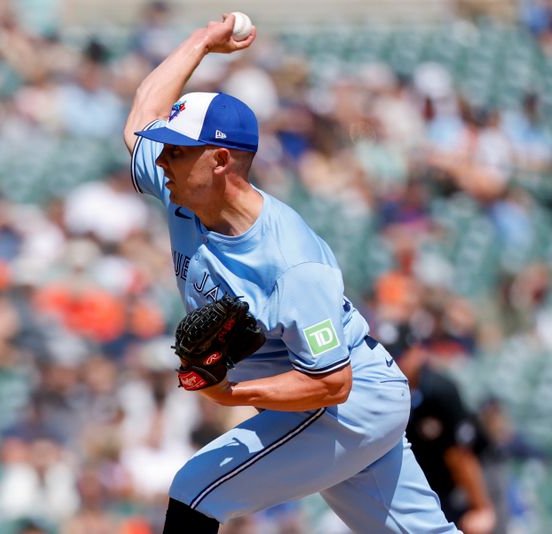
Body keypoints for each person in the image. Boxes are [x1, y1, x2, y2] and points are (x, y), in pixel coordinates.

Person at [123, 14, 459, 533]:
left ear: (219, 161)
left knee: (195, 492)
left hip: (348, 400)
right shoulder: (180, 191)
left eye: (177, 150)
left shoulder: (290, 261)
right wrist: (201, 43)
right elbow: (141, 115)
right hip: (338, 398)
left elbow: (332, 382)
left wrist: (227, 395)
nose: (162, 159)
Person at [387, 329, 497, 534]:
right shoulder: (385, 392)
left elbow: (460, 455)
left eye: (399, 356)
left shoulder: (439, 390)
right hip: (433, 477)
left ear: (416, 353)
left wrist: (481, 507)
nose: (395, 363)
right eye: (390, 356)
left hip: (474, 472)